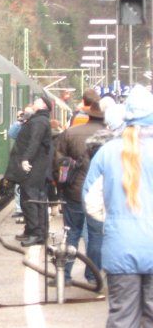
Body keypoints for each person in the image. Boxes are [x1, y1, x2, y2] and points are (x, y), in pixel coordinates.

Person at [83, 84, 153, 328]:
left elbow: (91, 203)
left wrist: (113, 226)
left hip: (120, 250)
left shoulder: (108, 152)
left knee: (122, 315)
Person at [54, 100, 106, 285]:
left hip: (75, 191)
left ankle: (65, 275)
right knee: (96, 236)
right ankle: (93, 276)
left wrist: (61, 187)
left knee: (72, 232)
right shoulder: (111, 137)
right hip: (100, 195)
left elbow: (58, 162)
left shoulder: (70, 133)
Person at [5, 95, 53, 246]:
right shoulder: (38, 119)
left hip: (35, 167)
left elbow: (34, 141)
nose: (35, 102)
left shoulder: (40, 121)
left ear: (43, 106)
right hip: (36, 166)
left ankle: (37, 233)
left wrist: (26, 159)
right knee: (28, 198)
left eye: (38, 101)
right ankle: (31, 230)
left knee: (32, 199)